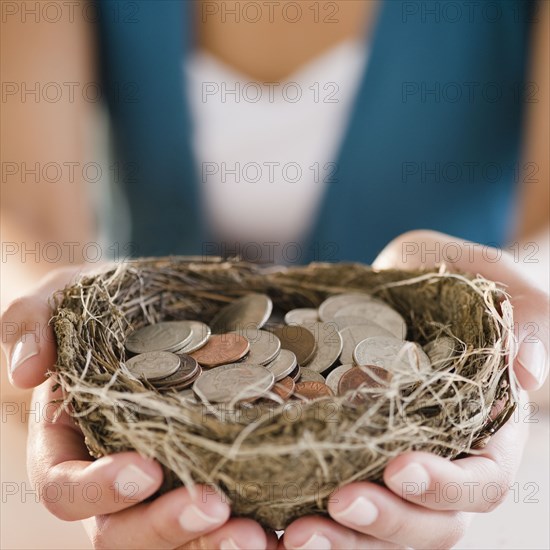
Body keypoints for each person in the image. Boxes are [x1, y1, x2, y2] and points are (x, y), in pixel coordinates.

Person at [1, 1, 548, 548]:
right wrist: (61, 336)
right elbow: (29, 224)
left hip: (457, 476)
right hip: (150, 451)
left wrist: (506, 333)